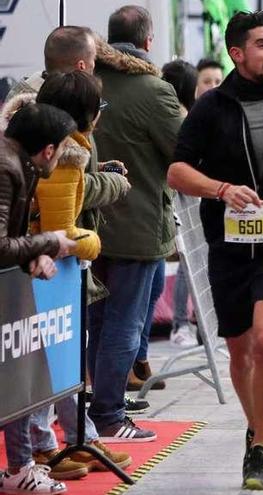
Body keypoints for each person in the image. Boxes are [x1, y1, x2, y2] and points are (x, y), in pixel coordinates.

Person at [167, 11, 263, 490]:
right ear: (237, 54)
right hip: (229, 245)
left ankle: (260, 446)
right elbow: (176, 172)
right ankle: (257, 427)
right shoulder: (211, 108)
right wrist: (220, 189)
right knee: (238, 351)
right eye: (262, 44)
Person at [0, 27, 133, 479]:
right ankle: (36, 454)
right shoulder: (54, 154)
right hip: (38, 273)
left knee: (55, 362)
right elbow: (60, 227)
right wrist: (77, 243)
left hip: (39, 267)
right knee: (38, 368)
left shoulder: (50, 141)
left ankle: (70, 439)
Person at [89, 4, 184, 439]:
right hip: (138, 223)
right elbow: (183, 152)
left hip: (87, 222)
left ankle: (91, 404)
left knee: (96, 320)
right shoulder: (154, 90)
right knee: (126, 323)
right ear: (149, 41)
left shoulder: (85, 81)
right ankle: (109, 415)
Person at [0, 102, 78, 495]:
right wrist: (50, 242)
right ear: (49, 150)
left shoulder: (17, 163)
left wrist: (33, 253)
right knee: (15, 375)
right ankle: (20, 467)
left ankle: (20, 466)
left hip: (8, 288)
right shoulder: (7, 167)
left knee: (17, 373)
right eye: (64, 147)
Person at [161, 59, 201, 349]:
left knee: (192, 263)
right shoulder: (180, 117)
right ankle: (181, 323)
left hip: (179, 196)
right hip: (180, 198)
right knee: (188, 262)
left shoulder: (180, 114)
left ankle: (186, 324)